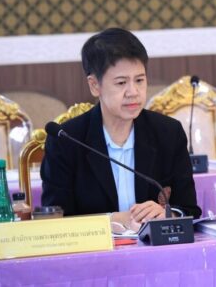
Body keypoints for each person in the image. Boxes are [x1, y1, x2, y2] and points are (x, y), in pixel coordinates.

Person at [41, 28, 201, 232]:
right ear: (94, 85)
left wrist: (168, 214)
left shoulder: (168, 133)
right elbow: (55, 221)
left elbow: (189, 209)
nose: (133, 92)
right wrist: (112, 220)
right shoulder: (67, 140)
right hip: (95, 251)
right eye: (121, 83)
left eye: (139, 80)